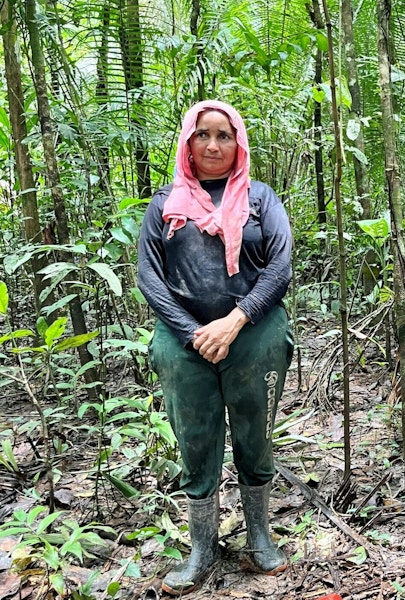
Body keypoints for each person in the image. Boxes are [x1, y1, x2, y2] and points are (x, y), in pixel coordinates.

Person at [138, 100, 294, 595]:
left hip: (255, 331)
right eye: (202, 135)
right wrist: (193, 333)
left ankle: (259, 538)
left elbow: (280, 267)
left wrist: (234, 321)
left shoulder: (261, 198)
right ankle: (202, 550)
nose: (212, 145)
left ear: (238, 142)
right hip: (183, 338)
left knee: (255, 432)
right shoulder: (164, 203)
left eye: (224, 135)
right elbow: (149, 276)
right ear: (187, 142)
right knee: (195, 438)